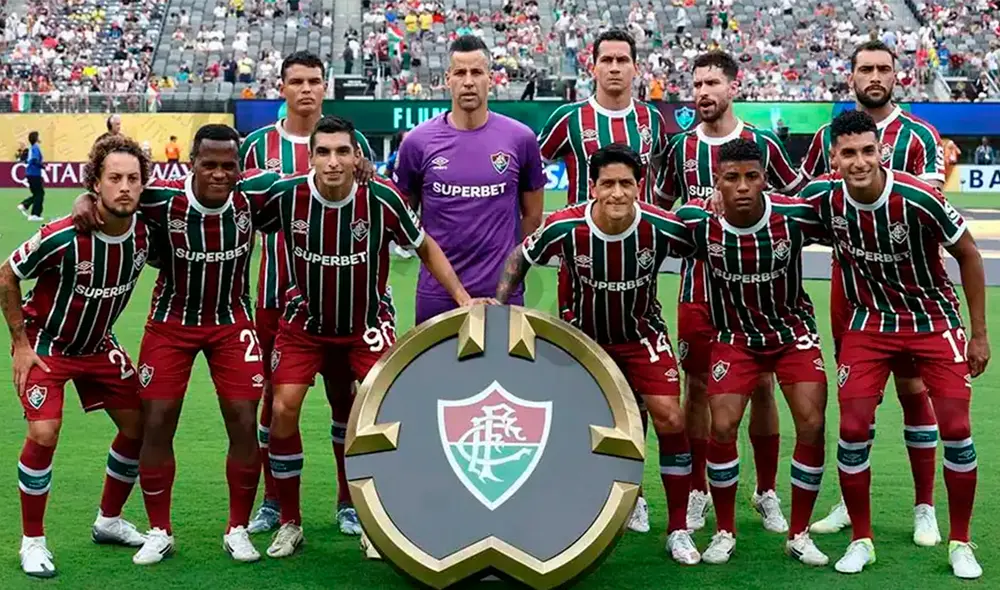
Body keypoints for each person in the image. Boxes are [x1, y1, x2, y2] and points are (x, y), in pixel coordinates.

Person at [257, 116, 489, 559]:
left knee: (387, 410)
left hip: (366, 325)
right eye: (323, 152)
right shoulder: (287, 195)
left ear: (356, 157)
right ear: (311, 156)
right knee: (283, 408)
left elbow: (424, 245)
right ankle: (290, 521)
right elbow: (237, 211)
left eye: (342, 152)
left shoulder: (381, 198)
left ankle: (374, 519)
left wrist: (462, 298)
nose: (333, 161)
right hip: (305, 325)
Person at [71, 124, 280, 565]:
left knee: (244, 421)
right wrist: (84, 199)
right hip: (171, 324)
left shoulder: (255, 194)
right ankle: (159, 530)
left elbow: (311, 184)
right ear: (192, 164)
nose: (220, 174)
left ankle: (238, 528)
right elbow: (108, 196)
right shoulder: (161, 199)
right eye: (209, 164)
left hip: (231, 322)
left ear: (240, 167)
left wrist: (362, 168)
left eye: (229, 166)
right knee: (157, 421)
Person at [800, 110, 988, 579]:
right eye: (848, 153)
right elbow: (775, 213)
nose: (859, 162)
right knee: (853, 427)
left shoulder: (918, 197)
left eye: (868, 151)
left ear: (881, 151)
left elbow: (968, 253)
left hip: (932, 321)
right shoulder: (822, 197)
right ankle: (861, 539)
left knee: (957, 427)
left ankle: (960, 541)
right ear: (833, 158)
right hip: (869, 322)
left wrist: (979, 333)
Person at [494, 144, 700, 565]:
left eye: (626, 183)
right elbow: (521, 256)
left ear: (639, 187)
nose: (617, 193)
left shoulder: (661, 226)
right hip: (583, 342)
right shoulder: (565, 227)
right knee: (569, 427)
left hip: (642, 337)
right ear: (593, 188)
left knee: (670, 417)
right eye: (607, 184)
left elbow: (705, 245)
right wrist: (500, 307)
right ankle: (587, 510)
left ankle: (678, 528)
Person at [804, 41, 945, 542]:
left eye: (884, 68)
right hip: (849, 287)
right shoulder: (828, 136)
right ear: (851, 77)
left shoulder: (919, 135)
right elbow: (805, 201)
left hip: (909, 291)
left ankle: (924, 506)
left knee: (913, 391)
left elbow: (931, 208)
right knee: (855, 398)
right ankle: (850, 501)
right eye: (866, 69)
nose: (875, 76)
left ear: (896, 75)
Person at [657, 50, 804, 534]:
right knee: (697, 388)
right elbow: (660, 212)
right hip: (698, 289)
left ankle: (766, 491)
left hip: (759, 293)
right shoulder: (680, 148)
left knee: (762, 384)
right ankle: (699, 489)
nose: (703, 92)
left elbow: (797, 206)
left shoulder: (762, 144)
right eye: (697, 84)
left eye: (712, 83)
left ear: (733, 87)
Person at [535, 28, 671, 533]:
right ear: (592, 66)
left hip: (637, 273)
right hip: (581, 272)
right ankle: (582, 488)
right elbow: (532, 169)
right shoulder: (569, 119)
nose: (615, 67)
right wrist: (537, 226)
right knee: (580, 389)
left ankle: (632, 493)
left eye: (623, 59)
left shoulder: (653, 122)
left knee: (639, 389)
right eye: (606, 59)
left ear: (636, 67)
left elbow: (665, 186)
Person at [670, 138, 829, 566]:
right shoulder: (697, 222)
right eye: (732, 178)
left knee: (812, 423)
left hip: (792, 333)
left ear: (765, 179)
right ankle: (724, 530)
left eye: (751, 177)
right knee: (722, 425)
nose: (742, 186)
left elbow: (847, 224)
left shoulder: (794, 216)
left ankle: (799, 533)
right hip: (735, 335)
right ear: (716, 182)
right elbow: (647, 234)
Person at [1, 135, 153, 578]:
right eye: (114, 178)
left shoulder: (148, 230)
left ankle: (109, 521)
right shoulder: (65, 235)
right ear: (95, 184)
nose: (124, 187)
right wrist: (20, 344)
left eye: (133, 179)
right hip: (47, 344)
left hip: (99, 344)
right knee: (44, 431)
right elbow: (7, 274)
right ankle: (32, 541)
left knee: (139, 426)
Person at [239, 50, 376, 537]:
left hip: (340, 299)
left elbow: (372, 207)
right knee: (275, 400)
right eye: (296, 81)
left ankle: (348, 501)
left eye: (314, 81)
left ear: (325, 87)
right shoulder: (257, 146)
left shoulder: (350, 144)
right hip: (276, 296)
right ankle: (273, 502)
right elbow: (237, 214)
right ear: (282, 87)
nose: (306, 89)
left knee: (346, 400)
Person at [393, 35, 546, 325]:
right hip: (437, 296)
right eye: (460, 73)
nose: (468, 82)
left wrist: (507, 275)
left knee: (506, 358)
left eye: (476, 72)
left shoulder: (521, 139)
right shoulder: (417, 142)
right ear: (447, 79)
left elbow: (533, 217)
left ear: (491, 78)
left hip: (503, 294)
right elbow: (405, 222)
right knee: (438, 359)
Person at [18, 131, 46, 222]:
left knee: (37, 194)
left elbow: (28, 160)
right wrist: (43, 166)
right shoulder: (35, 148)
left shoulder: (31, 148)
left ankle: (25, 205)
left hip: (30, 173)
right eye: (38, 136)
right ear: (36, 138)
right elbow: (35, 160)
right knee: (40, 194)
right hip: (34, 174)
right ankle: (34, 214)